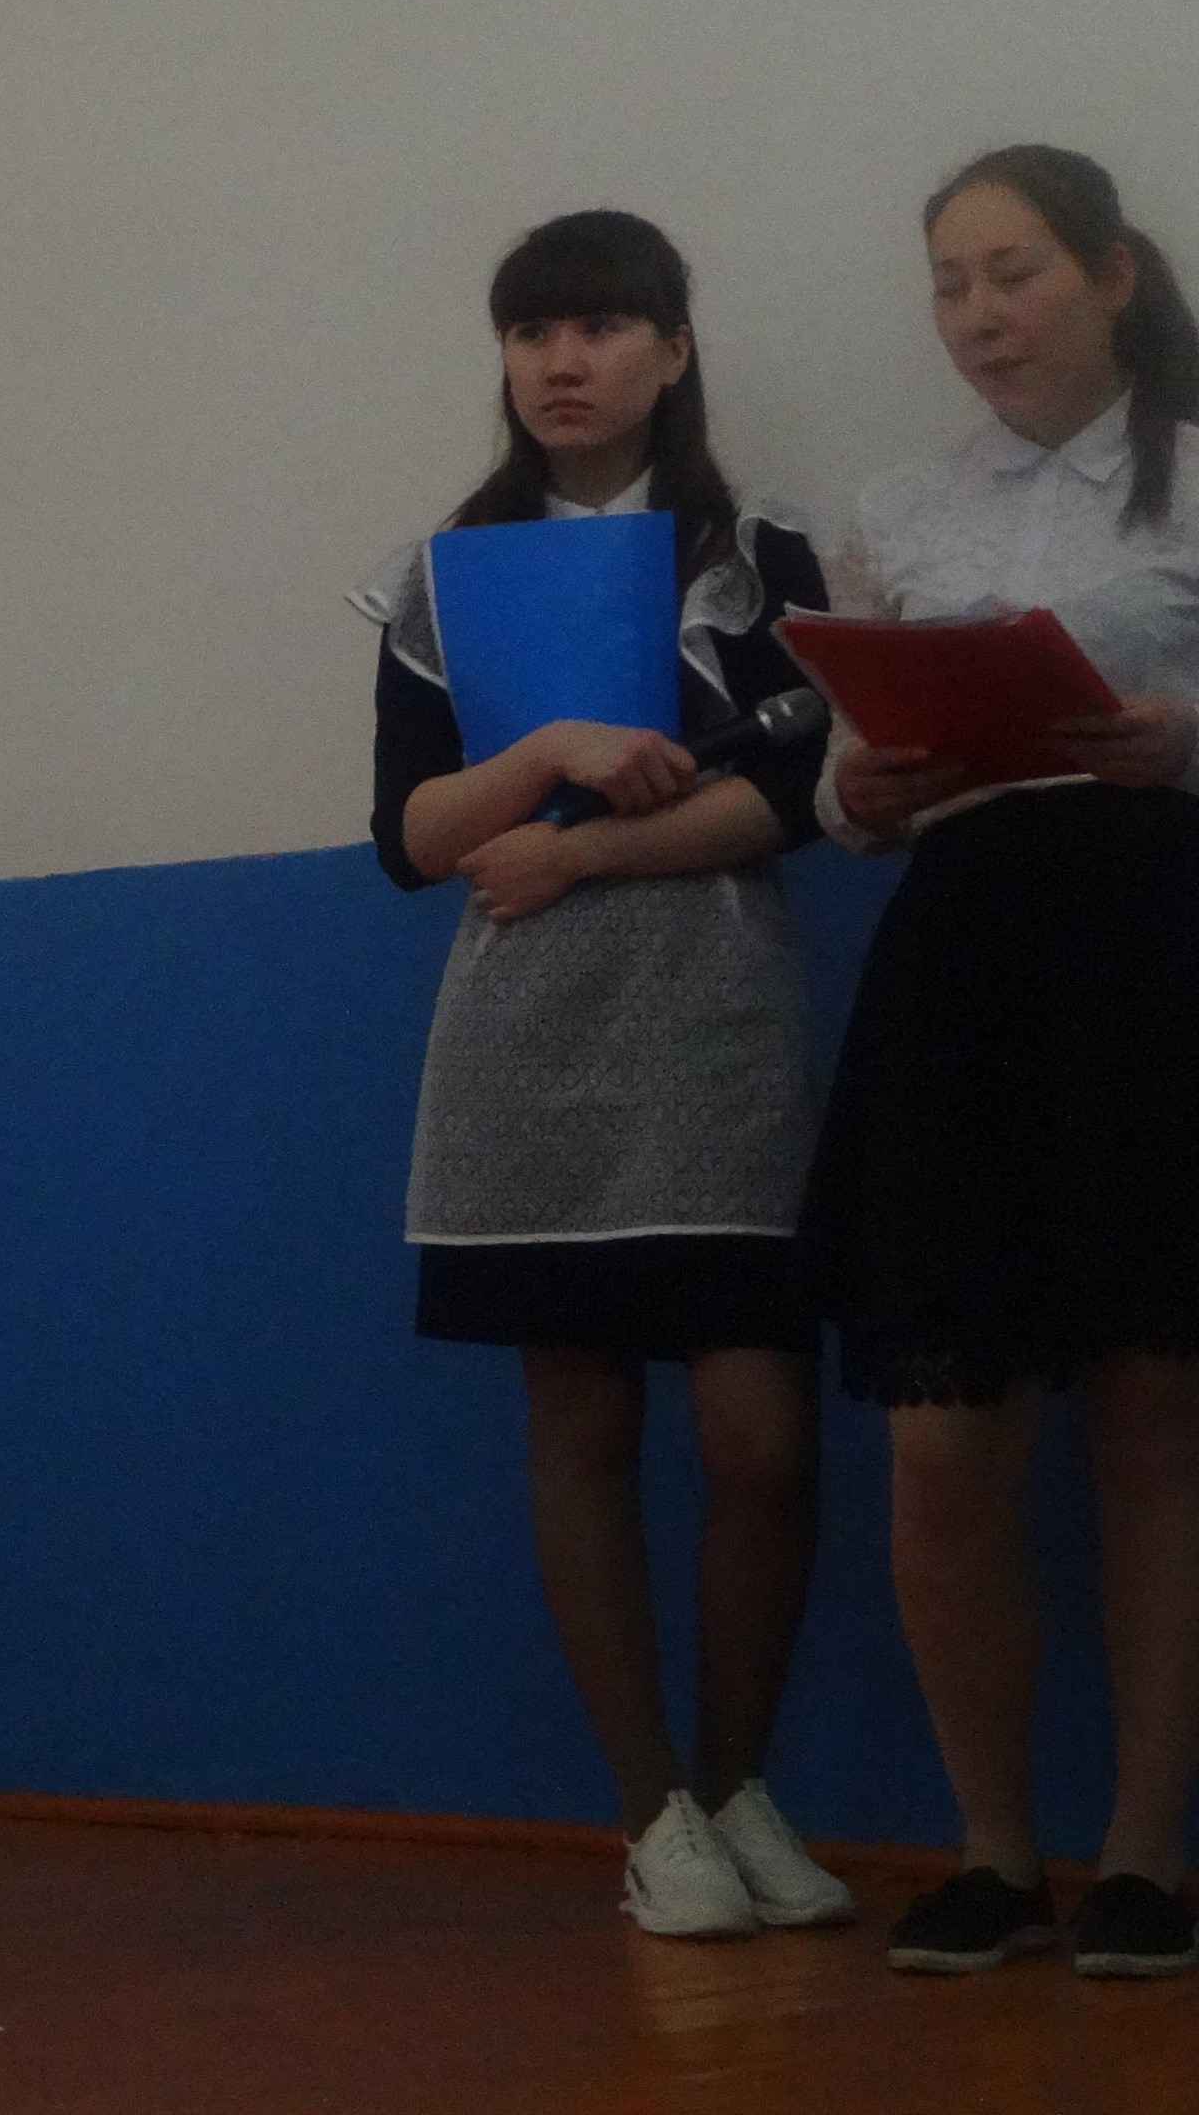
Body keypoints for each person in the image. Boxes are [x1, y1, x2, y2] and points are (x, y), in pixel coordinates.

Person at [352, 209, 853, 1939]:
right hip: (525, 1031)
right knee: (576, 1415)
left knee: (759, 1427)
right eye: (530, 333)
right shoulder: (446, 576)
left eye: (600, 328)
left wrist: (581, 850)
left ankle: (740, 1782)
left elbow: (798, 798)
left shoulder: (760, 556)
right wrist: (554, 755)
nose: (562, 363)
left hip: (718, 1012)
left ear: (673, 348)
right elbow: (410, 837)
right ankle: (654, 1820)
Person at [806, 143, 1199, 1980]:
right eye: (951, 283)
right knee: (943, 1436)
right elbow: (843, 785)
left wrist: (1183, 739)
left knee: (1152, 1410)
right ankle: (988, 1850)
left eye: (1016, 271)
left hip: (1156, 942)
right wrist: (860, 790)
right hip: (963, 962)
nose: (979, 313)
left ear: (1111, 274)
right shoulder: (895, 508)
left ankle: (1144, 1860)